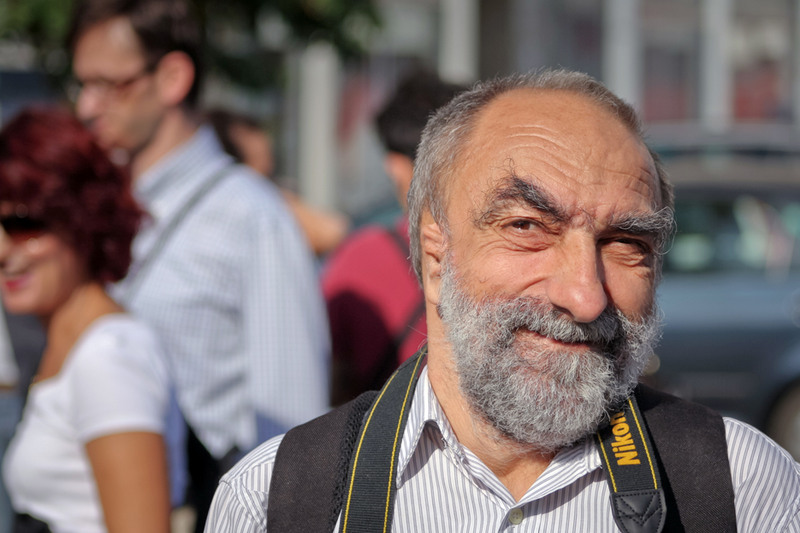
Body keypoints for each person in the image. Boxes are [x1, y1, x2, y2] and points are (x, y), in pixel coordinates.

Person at [205, 69, 800, 532]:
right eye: (527, 227)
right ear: (435, 257)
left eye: (626, 243)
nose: (584, 297)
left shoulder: (743, 489)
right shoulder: (275, 501)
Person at [67, 1, 330, 531]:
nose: (86, 106)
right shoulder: (95, 207)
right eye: (82, 85)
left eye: (107, 84)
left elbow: (294, 431)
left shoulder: (252, 217)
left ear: (172, 78)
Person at [0, 107, 170, 533]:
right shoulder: (68, 342)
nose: (3, 250)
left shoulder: (109, 355)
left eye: (24, 224)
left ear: (82, 220)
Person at [322, 69, 464, 405]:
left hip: (386, 432)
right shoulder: (514, 249)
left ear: (395, 166)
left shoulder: (358, 259)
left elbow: (329, 380)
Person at [206, 108, 350, 256]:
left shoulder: (220, 197)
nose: (265, 139)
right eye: (251, 130)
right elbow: (332, 232)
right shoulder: (260, 198)